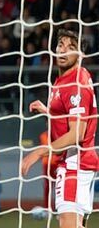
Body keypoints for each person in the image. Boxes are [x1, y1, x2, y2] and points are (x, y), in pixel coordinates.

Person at [21, 30, 99, 228]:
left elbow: (76, 134)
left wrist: (40, 151)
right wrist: (49, 111)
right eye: (60, 45)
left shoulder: (75, 83)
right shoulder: (68, 78)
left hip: (75, 163)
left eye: (71, 48)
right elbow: (72, 115)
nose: (63, 51)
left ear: (80, 55)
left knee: (67, 224)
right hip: (80, 162)